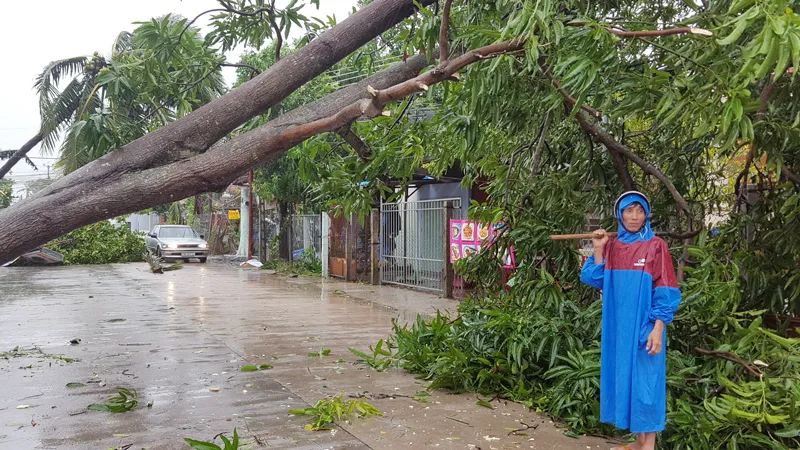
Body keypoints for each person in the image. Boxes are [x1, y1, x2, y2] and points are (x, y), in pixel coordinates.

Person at [580, 191, 681, 450]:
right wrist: (599, 248)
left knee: (647, 383)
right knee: (627, 381)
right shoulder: (613, 246)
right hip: (618, 329)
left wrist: (658, 328)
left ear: (646, 214)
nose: (634, 216)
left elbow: (666, 288)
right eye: (629, 210)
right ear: (620, 214)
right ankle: (638, 442)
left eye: (639, 211)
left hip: (647, 326)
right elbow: (594, 278)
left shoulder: (656, 245)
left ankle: (649, 446)